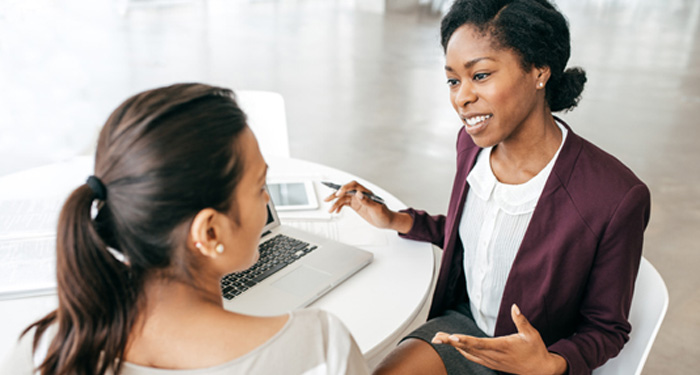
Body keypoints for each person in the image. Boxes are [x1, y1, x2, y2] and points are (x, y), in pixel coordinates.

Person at [325, 1, 650, 374]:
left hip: (535, 361)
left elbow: (606, 328)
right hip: (464, 330)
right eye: (453, 80)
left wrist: (550, 363)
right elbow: (482, 237)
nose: (461, 97)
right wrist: (397, 219)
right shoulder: (472, 146)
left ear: (539, 71)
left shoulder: (614, 196)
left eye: (480, 75)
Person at [0, 83, 370, 375]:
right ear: (209, 233)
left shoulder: (43, 352)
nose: (268, 202)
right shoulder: (320, 348)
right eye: (260, 187)